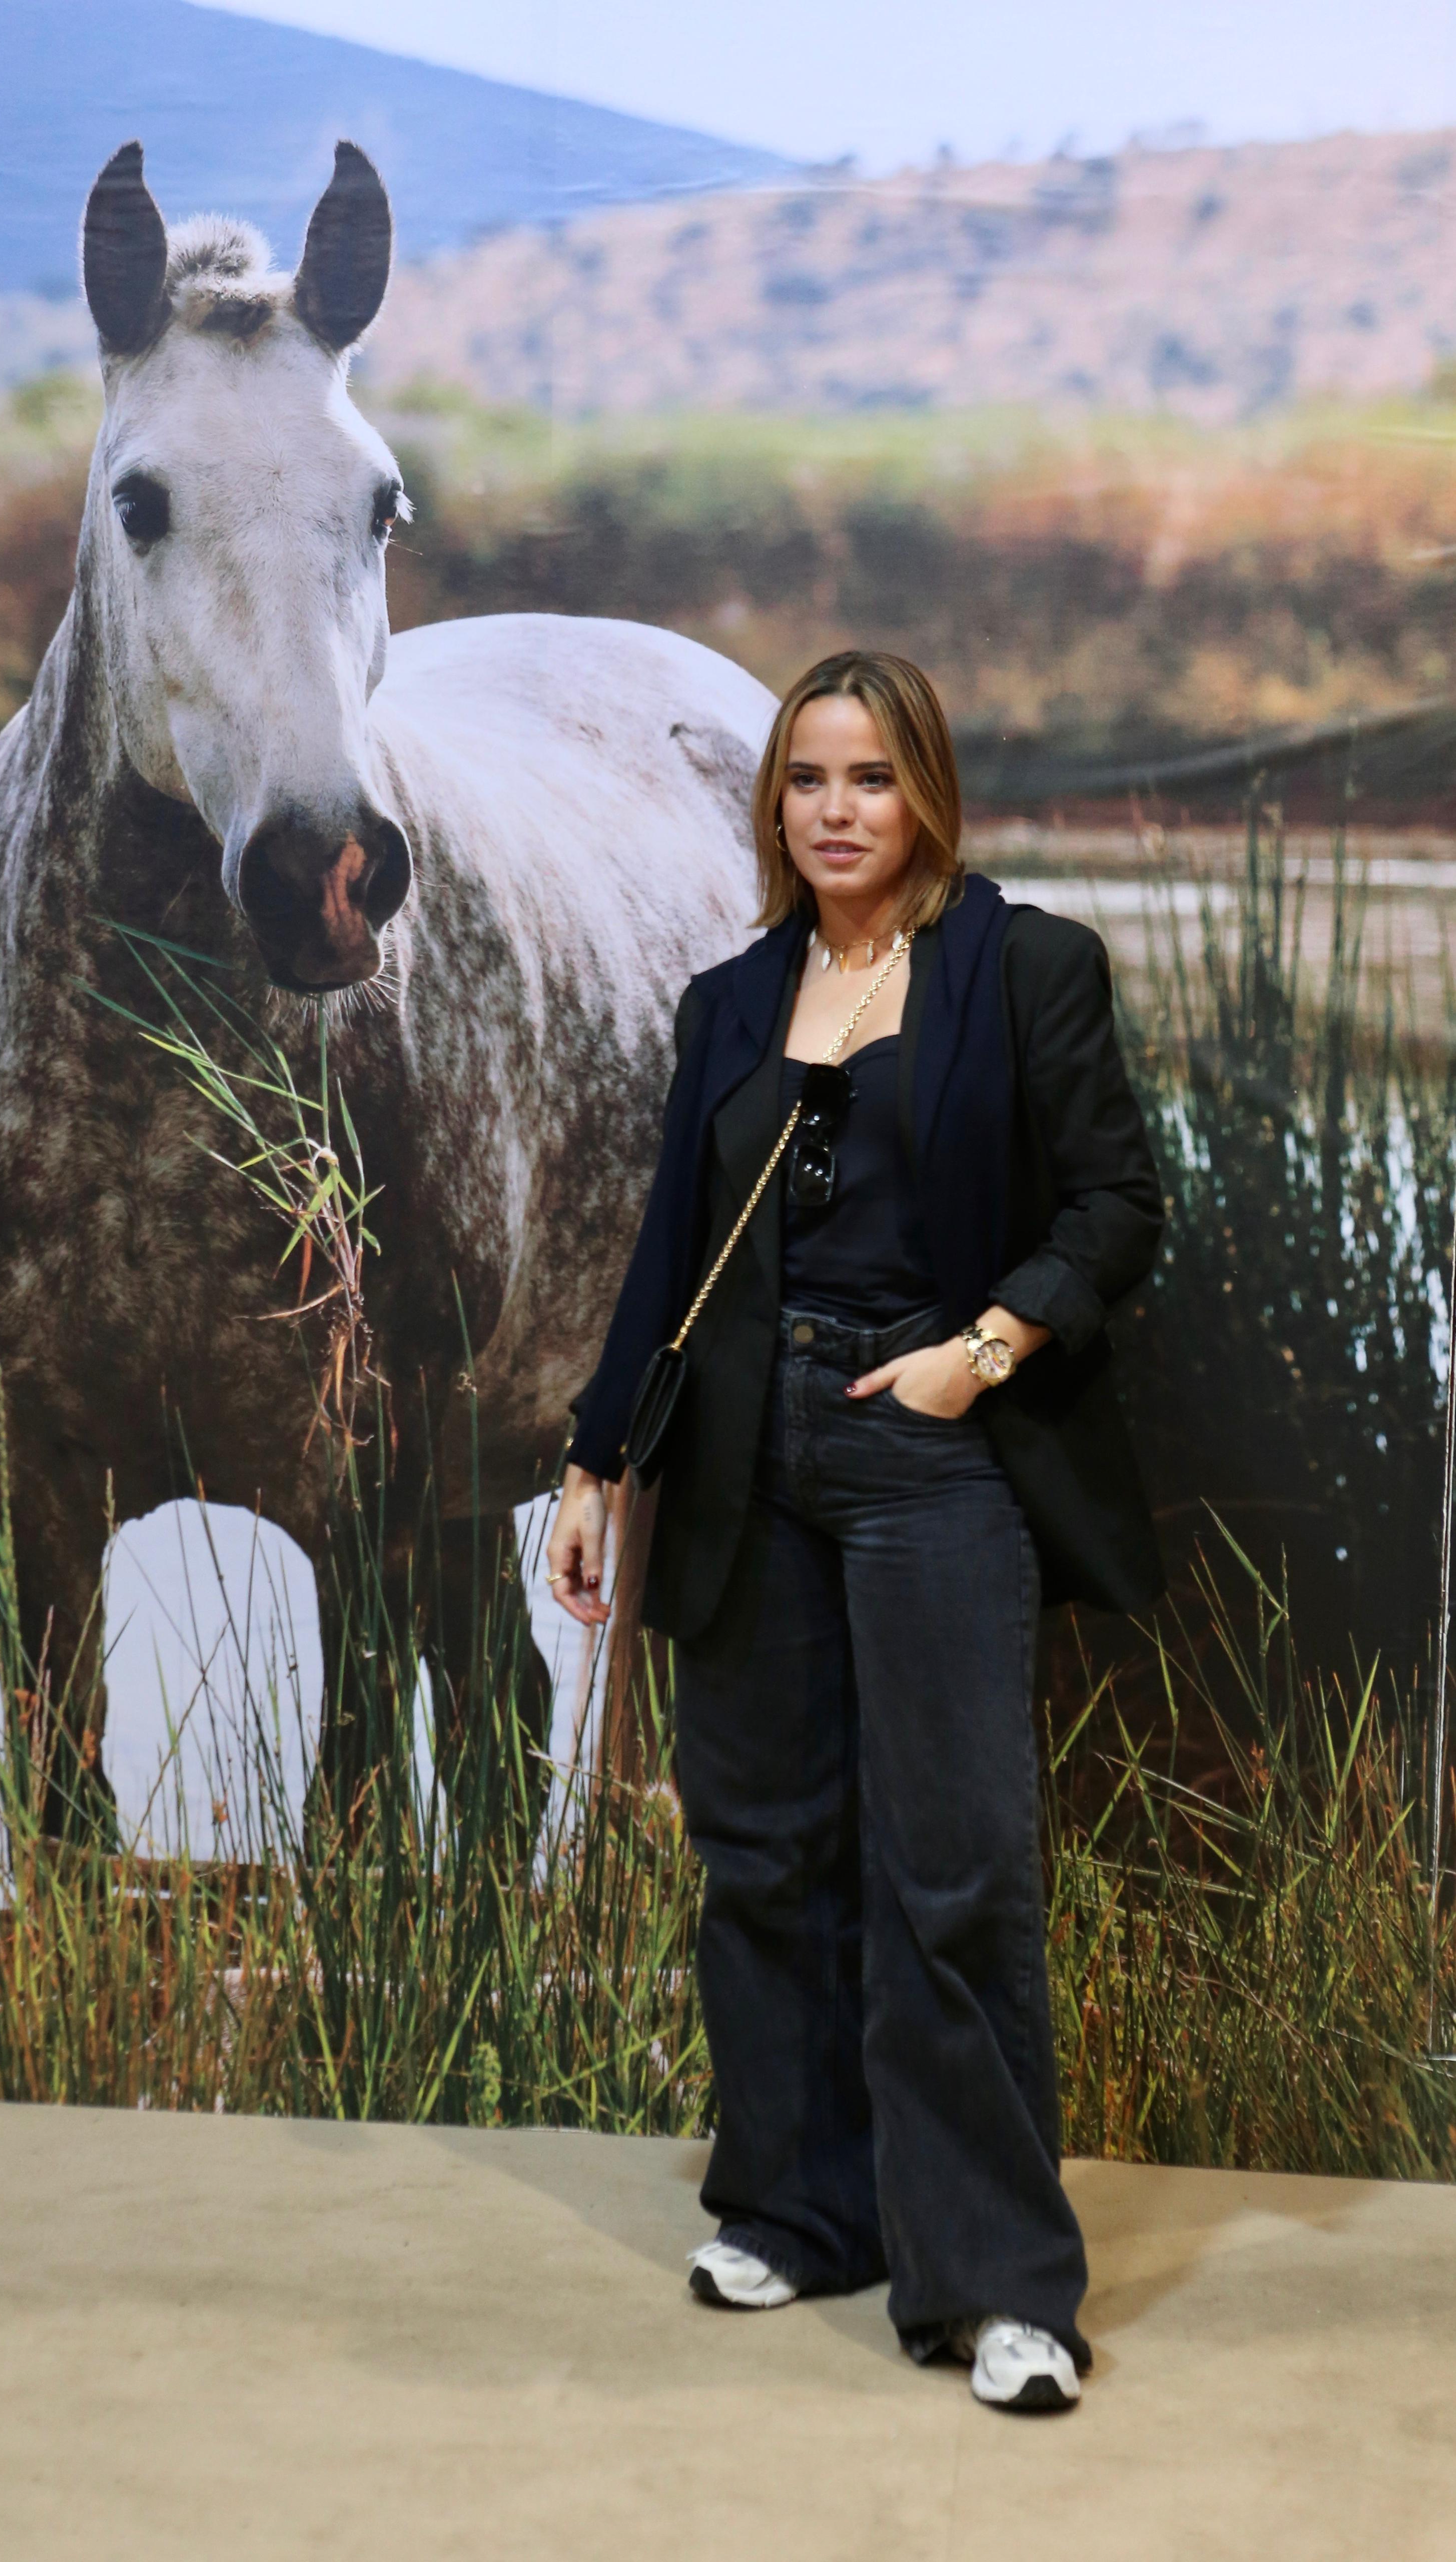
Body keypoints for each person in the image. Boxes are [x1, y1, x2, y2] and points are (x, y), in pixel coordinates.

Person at [545, 649, 1164, 2415]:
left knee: (953, 1870)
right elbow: (673, 1258)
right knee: (760, 1853)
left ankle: (1001, 2287)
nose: (836, 811)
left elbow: (1122, 1203)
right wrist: (602, 1468)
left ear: (928, 796)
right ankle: (801, 2210)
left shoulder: (1023, 967)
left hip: (932, 1450)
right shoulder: (731, 1002)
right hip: (746, 1458)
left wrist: (985, 1353)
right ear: (776, 805)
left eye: (872, 779)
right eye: (807, 779)